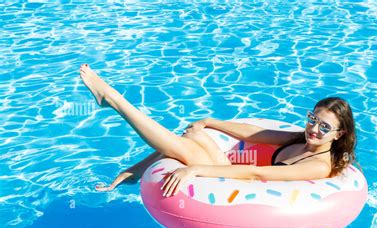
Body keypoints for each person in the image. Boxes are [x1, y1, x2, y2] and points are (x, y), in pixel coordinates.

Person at [79, 64, 357, 197]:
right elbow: (254, 134)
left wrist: (195, 170)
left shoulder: (319, 165)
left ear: (339, 134)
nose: (314, 129)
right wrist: (211, 121)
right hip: (239, 177)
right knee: (196, 135)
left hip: (244, 193)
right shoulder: (303, 138)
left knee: (189, 150)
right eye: (312, 119)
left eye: (324, 127)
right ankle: (131, 172)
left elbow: (258, 173)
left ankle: (114, 100)